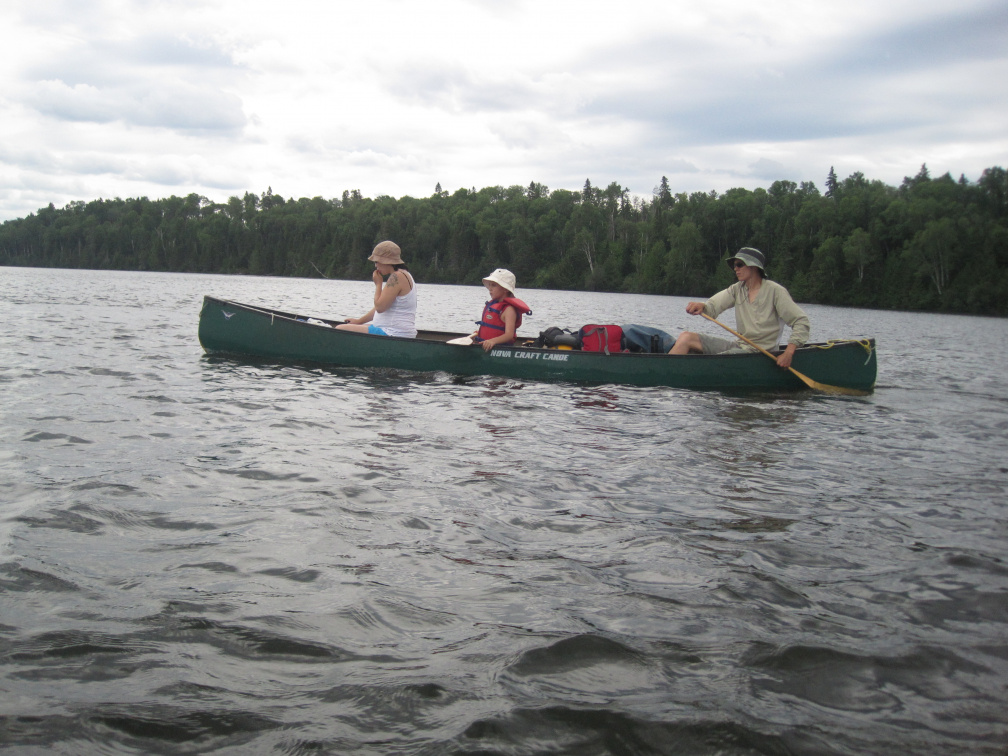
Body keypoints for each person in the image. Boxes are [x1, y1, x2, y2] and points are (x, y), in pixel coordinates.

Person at [669, 247, 809, 369]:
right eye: (734, 265)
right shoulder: (737, 289)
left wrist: (788, 353)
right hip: (740, 347)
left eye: (739, 264)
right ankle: (667, 373)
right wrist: (702, 306)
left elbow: (801, 322)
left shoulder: (775, 291)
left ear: (753, 267)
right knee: (686, 337)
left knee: (718, 360)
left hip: (760, 353)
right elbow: (713, 306)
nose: (735, 268)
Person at [336, 241, 417, 338]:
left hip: (393, 333)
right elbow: (383, 306)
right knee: (349, 326)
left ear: (386, 261)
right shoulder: (403, 274)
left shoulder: (396, 277)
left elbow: (380, 307)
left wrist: (378, 284)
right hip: (395, 331)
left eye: (376, 261)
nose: (375, 265)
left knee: (340, 329)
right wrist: (359, 321)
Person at [457, 269, 532, 351]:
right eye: (489, 285)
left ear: (505, 289)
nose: (490, 288)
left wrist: (492, 341)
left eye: (494, 285)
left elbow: (509, 335)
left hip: (502, 348)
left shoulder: (509, 310)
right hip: (485, 346)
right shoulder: (493, 304)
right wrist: (479, 333)